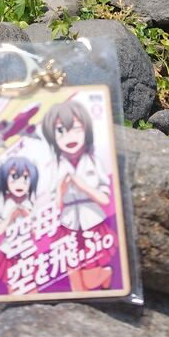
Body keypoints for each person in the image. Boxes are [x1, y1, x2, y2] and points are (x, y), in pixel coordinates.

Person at [42, 99, 116, 292]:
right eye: (60, 130)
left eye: (76, 128)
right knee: (73, 277)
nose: (69, 136)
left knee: (89, 275)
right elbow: (53, 207)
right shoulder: (55, 166)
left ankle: (104, 274)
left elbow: (106, 199)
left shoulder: (93, 160)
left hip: (93, 222)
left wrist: (84, 187)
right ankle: (96, 281)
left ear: (86, 129)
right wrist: (61, 191)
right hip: (67, 224)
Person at [0, 155, 39, 289]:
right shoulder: (4, 203)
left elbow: (37, 231)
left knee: (32, 285)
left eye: (25, 178)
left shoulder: (30, 203)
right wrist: (10, 217)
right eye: (14, 177)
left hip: (27, 250)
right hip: (9, 251)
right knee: (11, 286)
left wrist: (27, 216)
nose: (20, 184)